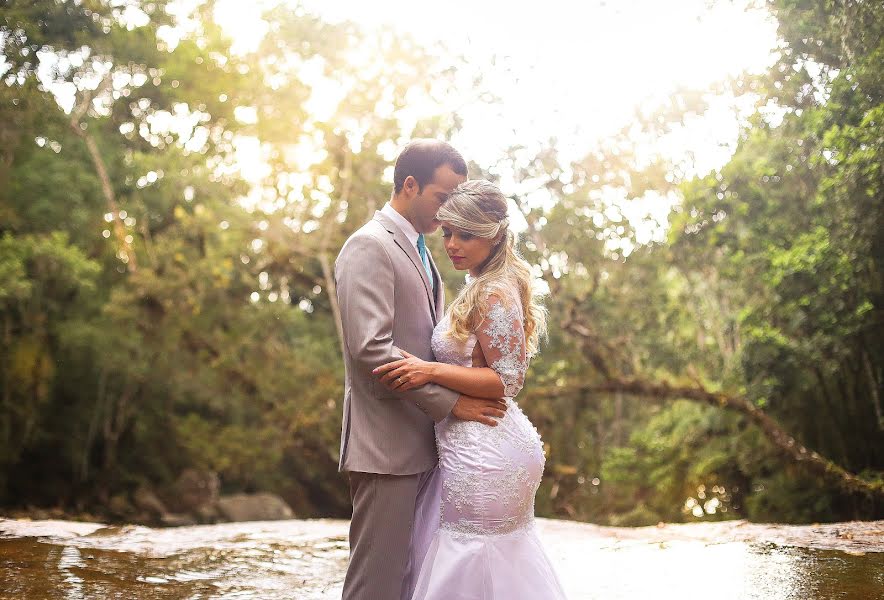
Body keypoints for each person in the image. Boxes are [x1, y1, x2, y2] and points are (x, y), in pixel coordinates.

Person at [374, 179, 568, 599]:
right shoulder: (480, 283)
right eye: (447, 232)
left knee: (472, 553)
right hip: (476, 445)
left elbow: (507, 380)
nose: (452, 244)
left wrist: (430, 371)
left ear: (495, 234)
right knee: (482, 558)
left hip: (487, 450)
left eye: (466, 234)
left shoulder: (493, 291)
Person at [334, 140, 509, 600]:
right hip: (385, 446)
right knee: (376, 583)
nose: (450, 212)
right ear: (409, 185)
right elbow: (371, 350)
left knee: (411, 581)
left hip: (425, 444)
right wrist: (452, 404)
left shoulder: (423, 251)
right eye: (442, 197)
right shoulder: (368, 246)